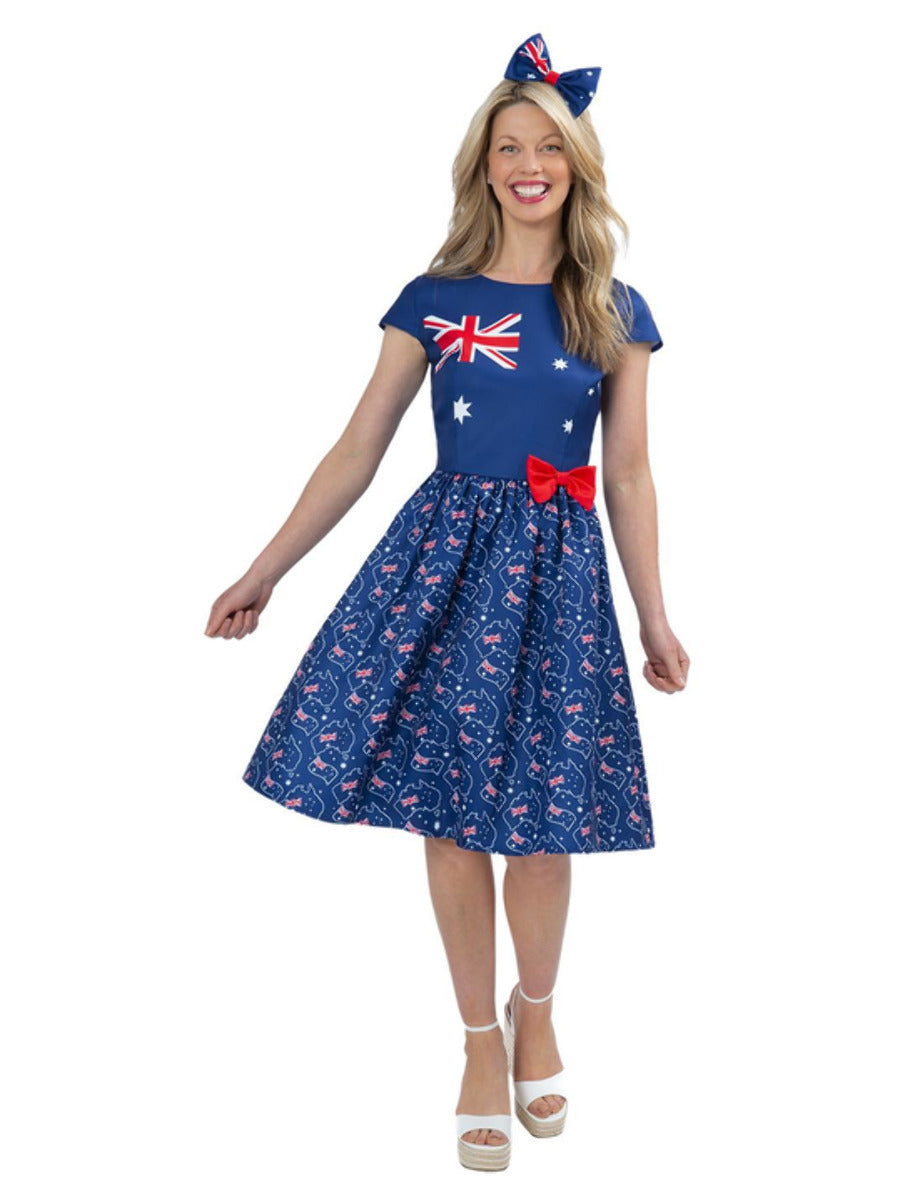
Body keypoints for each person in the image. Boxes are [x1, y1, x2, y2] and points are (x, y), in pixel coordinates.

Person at [204, 32, 689, 1172]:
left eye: (548, 147)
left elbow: (627, 473)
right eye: (508, 147)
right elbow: (358, 447)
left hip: (558, 579)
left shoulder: (614, 307)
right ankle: (478, 1039)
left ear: (576, 165)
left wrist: (655, 614)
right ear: (483, 166)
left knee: (545, 821)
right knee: (453, 810)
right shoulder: (435, 299)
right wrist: (265, 568)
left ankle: (537, 1011)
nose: (529, 166)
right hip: (446, 569)